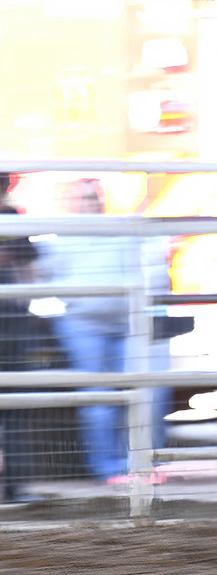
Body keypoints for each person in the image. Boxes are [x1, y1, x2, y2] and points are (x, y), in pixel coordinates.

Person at [35, 178, 171, 484]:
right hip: (85, 324)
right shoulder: (61, 236)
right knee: (99, 398)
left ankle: (136, 463)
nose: (92, 201)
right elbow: (47, 275)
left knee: (143, 393)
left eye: (95, 195)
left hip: (123, 324)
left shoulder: (116, 229)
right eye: (84, 196)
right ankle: (109, 468)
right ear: (71, 201)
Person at [0, 172, 41, 503]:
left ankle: (15, 485)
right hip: (12, 320)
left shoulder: (13, 218)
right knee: (13, 406)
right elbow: (27, 270)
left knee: (13, 405)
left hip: (12, 321)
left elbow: (27, 269)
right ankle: (15, 486)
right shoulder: (12, 219)